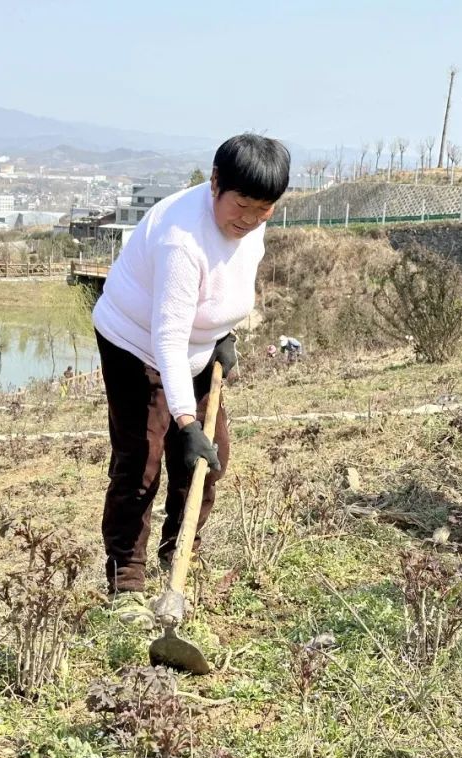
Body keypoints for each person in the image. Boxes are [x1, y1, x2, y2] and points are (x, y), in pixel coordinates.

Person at [91, 133, 290, 627]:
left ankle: (179, 553)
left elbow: (232, 281)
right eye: (241, 204)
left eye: (263, 209)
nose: (249, 219)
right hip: (136, 342)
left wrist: (223, 334)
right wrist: (185, 419)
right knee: (143, 459)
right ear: (215, 183)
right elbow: (167, 338)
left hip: (197, 350)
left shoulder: (252, 226)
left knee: (208, 458)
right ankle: (127, 583)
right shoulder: (182, 239)